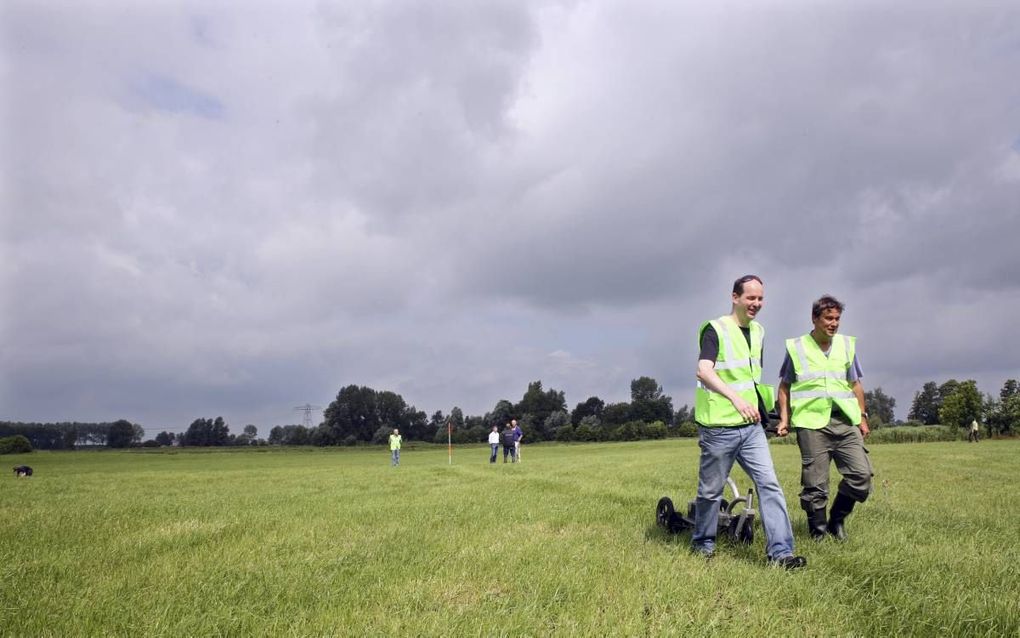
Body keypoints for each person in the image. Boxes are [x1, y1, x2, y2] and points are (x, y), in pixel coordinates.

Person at [692, 275, 806, 569]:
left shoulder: (758, 332)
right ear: (735, 297)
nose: (756, 304)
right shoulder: (715, 330)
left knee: (769, 484)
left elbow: (752, 379)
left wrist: (769, 414)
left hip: (751, 427)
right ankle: (703, 545)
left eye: (760, 299)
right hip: (719, 426)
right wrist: (736, 399)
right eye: (750, 298)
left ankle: (781, 554)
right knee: (710, 492)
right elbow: (704, 370)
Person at [777, 295, 873, 542]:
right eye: (828, 318)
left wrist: (862, 417)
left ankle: (836, 520)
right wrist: (784, 419)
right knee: (815, 484)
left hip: (844, 421)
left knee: (861, 476)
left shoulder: (846, 346)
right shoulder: (798, 348)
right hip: (811, 424)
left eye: (837, 319)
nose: (833, 323)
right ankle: (818, 533)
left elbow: (855, 385)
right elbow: (784, 387)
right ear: (814, 318)